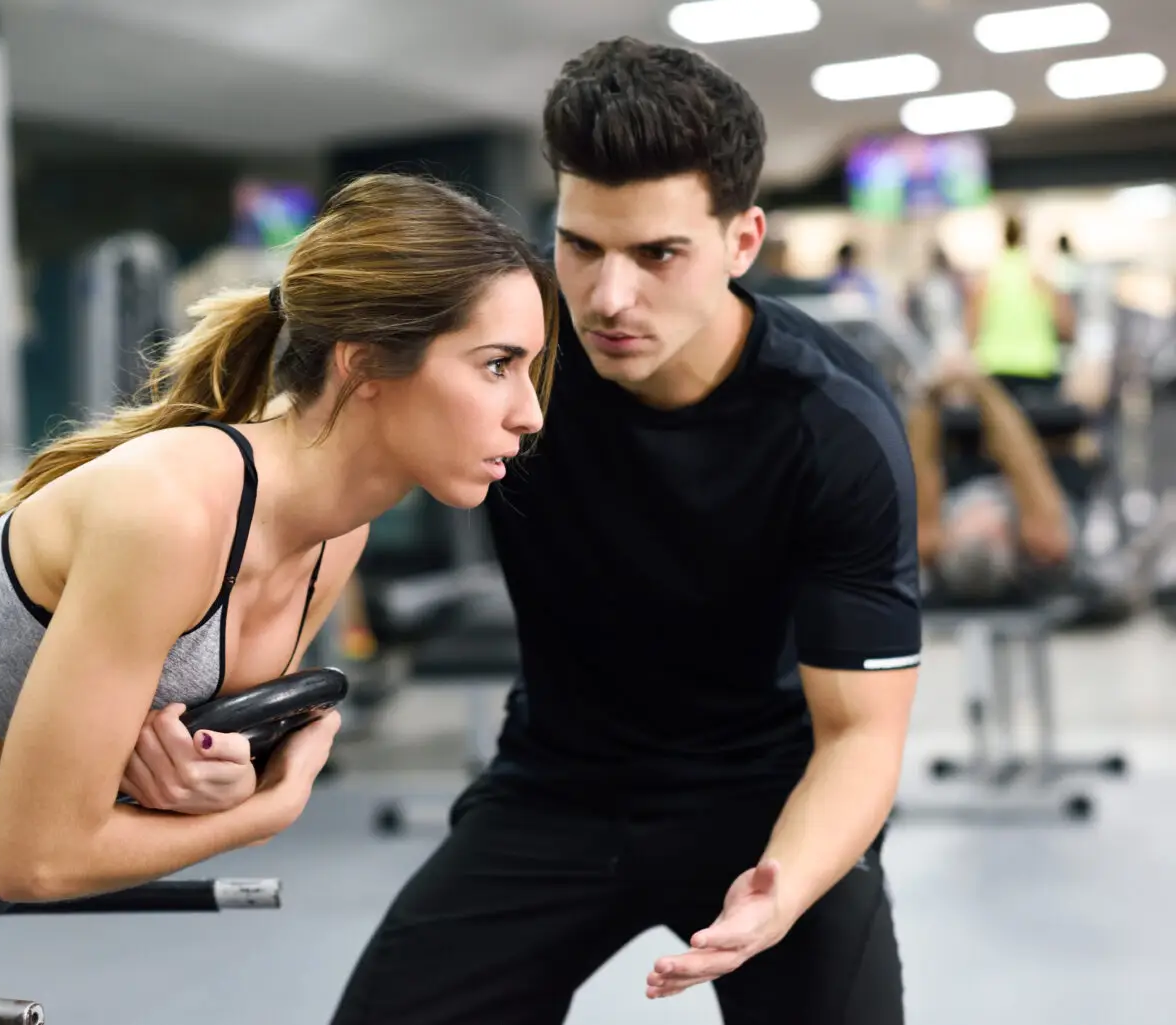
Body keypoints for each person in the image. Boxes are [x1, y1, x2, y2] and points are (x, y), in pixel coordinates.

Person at [0, 171, 556, 915]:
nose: (530, 412)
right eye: (496, 366)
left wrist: (211, 778)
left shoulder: (335, 533)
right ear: (363, 364)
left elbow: (168, 756)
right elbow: (37, 857)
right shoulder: (175, 509)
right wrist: (261, 813)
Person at [325, 39, 923, 1025]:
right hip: (558, 784)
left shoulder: (834, 426)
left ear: (742, 243)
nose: (608, 297)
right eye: (582, 246)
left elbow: (862, 735)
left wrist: (783, 885)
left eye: (657, 254)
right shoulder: (509, 363)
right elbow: (332, 501)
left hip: (771, 795)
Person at [909, 349, 1077, 606]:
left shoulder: (931, 541)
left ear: (950, 539)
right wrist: (982, 387)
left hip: (961, 482)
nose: (981, 515)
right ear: (1001, 538)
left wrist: (931, 395)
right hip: (1030, 487)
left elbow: (919, 468)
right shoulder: (1042, 538)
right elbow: (1023, 460)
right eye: (986, 526)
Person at [966, 215, 1076, 396]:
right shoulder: (1038, 278)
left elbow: (971, 329)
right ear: (1024, 236)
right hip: (1037, 368)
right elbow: (1065, 324)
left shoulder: (987, 280)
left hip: (995, 367)